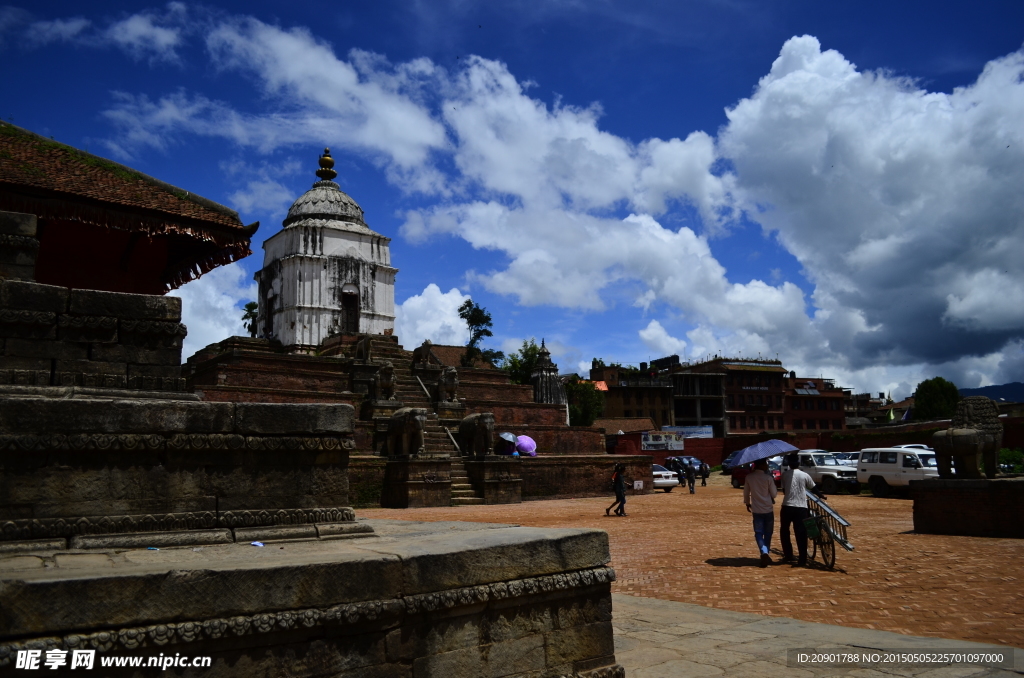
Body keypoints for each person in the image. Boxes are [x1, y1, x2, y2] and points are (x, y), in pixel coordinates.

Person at [780, 453, 820, 567]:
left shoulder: (784, 475)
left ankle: (788, 555)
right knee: (801, 533)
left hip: (787, 505)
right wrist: (821, 495)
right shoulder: (804, 475)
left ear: (789, 464)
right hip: (801, 507)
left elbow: (784, 491)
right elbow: (814, 488)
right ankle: (802, 559)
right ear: (798, 464)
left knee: (785, 531)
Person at [743, 458, 778, 567]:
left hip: (756, 510)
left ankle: (764, 552)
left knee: (758, 533)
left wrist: (747, 503)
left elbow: (746, 492)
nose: (767, 466)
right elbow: (774, 494)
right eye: (766, 464)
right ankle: (765, 552)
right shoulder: (768, 478)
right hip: (768, 509)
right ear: (762, 465)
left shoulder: (749, 477)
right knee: (768, 533)